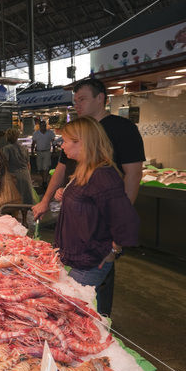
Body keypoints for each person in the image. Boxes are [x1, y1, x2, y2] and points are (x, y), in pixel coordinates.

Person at [32, 78, 145, 316]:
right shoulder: (83, 164)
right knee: (76, 305)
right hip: (78, 251)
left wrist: (113, 244)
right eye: (75, 100)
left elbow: (133, 177)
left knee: (87, 309)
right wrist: (62, 196)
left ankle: (102, 324)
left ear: (100, 98)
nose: (77, 104)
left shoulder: (120, 134)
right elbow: (63, 172)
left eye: (82, 99)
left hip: (94, 249)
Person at [54, 116, 139, 316]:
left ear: (81, 142)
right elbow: (87, 203)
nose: (62, 146)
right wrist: (64, 195)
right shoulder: (84, 169)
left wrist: (112, 250)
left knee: (70, 313)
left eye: (65, 141)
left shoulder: (102, 175)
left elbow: (126, 219)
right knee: (78, 312)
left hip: (90, 261)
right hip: (77, 257)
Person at [2, 128, 34, 205]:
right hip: (25, 175)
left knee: (15, 199)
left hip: (14, 176)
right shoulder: (24, 148)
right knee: (26, 198)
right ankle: (24, 216)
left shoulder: (7, 148)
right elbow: (28, 164)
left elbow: (5, 163)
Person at [31, 120, 56, 189]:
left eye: (44, 125)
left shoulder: (50, 133)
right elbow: (33, 143)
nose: (43, 127)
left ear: (45, 126)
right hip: (39, 152)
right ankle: (44, 179)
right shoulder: (36, 133)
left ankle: (44, 182)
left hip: (47, 152)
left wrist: (54, 151)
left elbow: (53, 142)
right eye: (42, 125)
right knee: (40, 168)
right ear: (39, 126)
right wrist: (32, 152)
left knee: (45, 167)